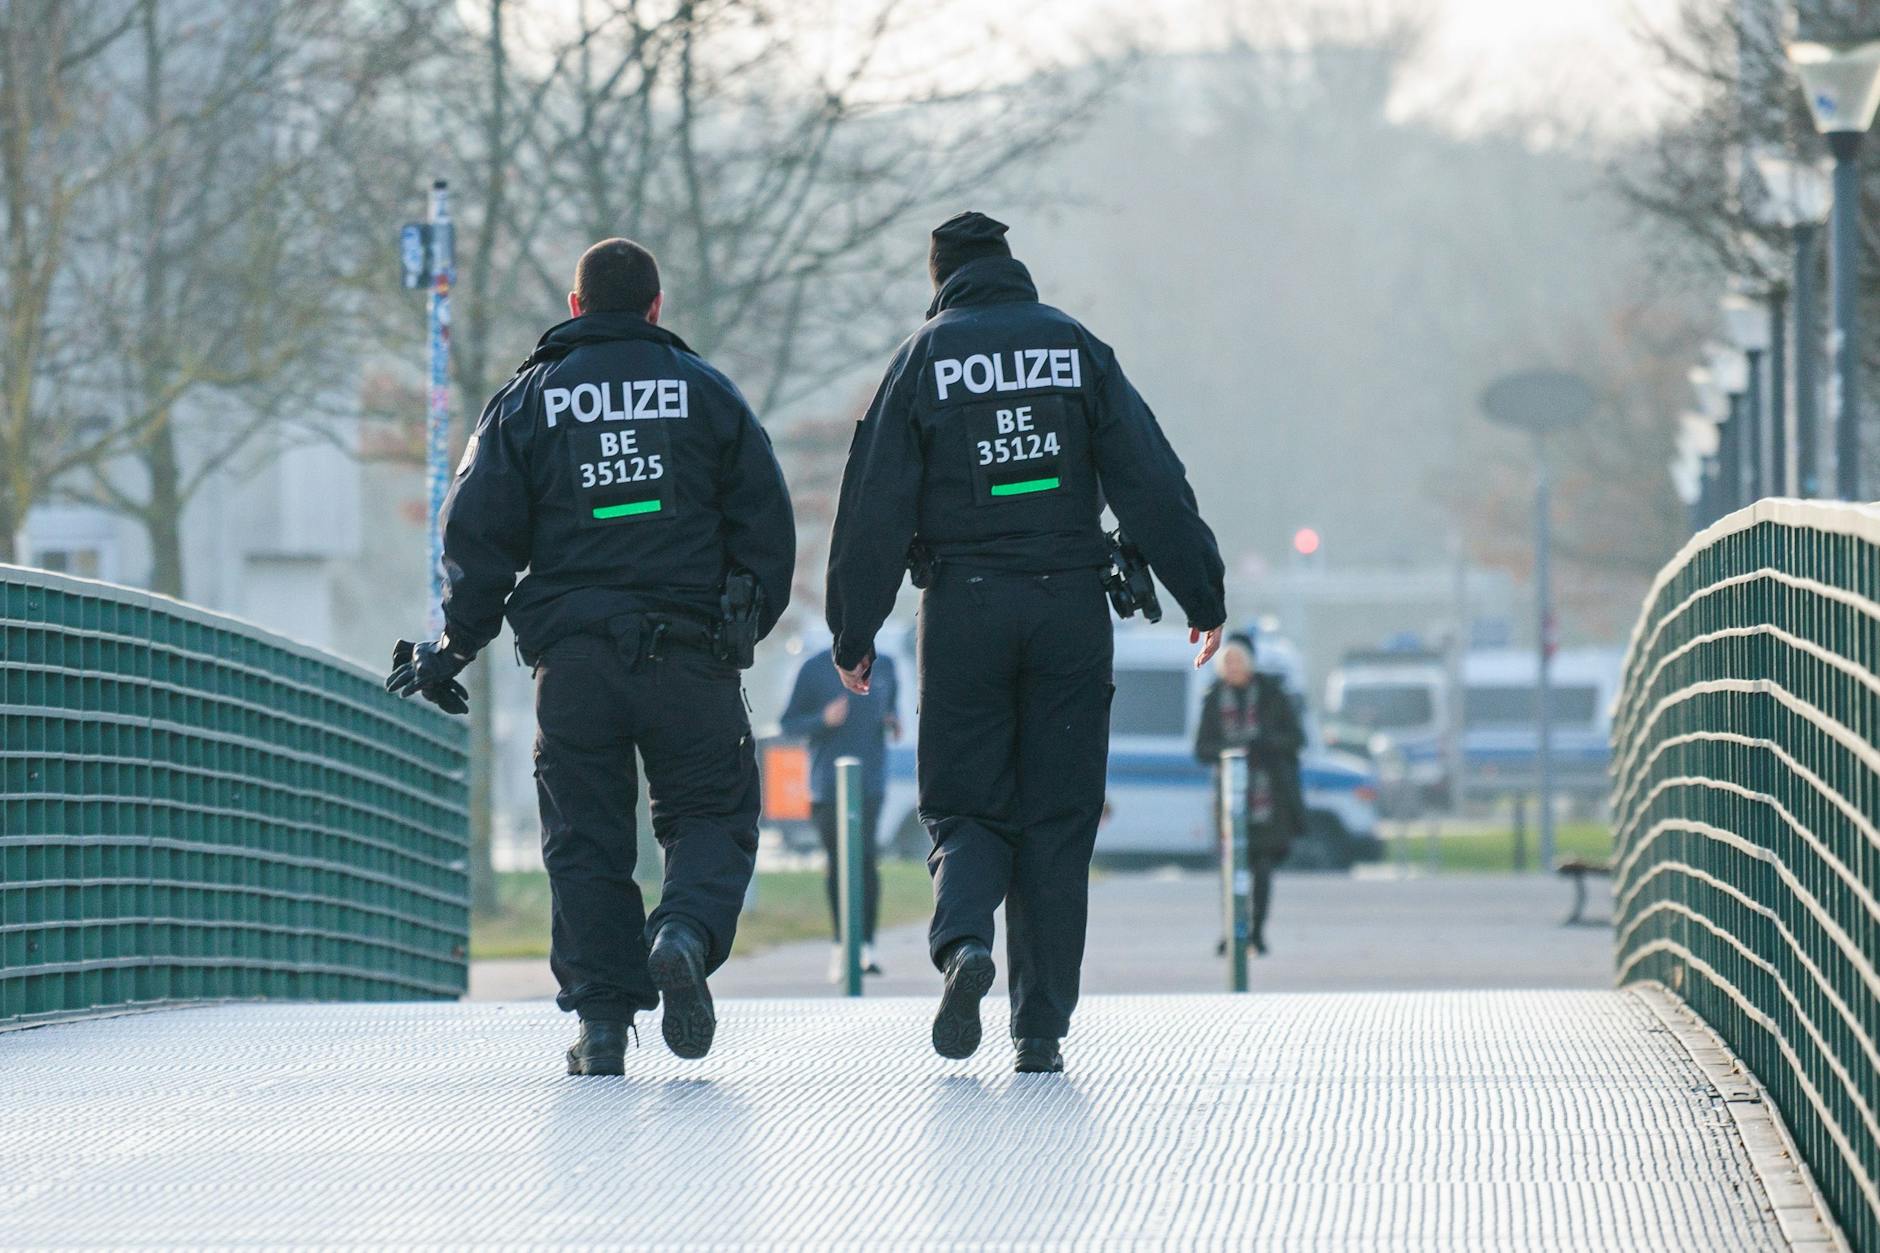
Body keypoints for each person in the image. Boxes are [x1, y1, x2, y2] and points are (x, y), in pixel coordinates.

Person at [825, 211, 1226, 1074]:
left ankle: (966, 941)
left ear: (941, 278)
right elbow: (1150, 476)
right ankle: (1038, 1024)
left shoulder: (924, 359)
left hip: (964, 605)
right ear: (1012, 268)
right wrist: (1201, 591)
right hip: (1070, 607)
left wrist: (852, 629)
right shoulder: (1076, 348)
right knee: (1057, 814)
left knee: (967, 803)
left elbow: (874, 505)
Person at [385, 238, 794, 1074]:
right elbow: (768, 522)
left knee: (584, 839)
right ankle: (681, 929)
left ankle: (603, 1027)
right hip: (688, 654)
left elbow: (476, 532)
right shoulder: (708, 393)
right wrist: (746, 617)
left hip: (573, 666)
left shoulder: (526, 401)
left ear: (575, 308)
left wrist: (456, 643)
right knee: (712, 814)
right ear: (655, 307)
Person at [779, 644, 902, 980]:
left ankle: (866, 947)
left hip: (871, 782)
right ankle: (840, 947)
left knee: (865, 860)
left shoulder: (886, 664)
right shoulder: (815, 668)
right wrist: (823, 720)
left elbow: (890, 708)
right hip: (827, 786)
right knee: (838, 863)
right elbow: (789, 723)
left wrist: (892, 721)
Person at [1193, 634, 1306, 955]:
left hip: (1268, 795)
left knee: (1262, 867)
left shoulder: (1273, 696)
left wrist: (1265, 741)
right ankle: (1233, 931)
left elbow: (1296, 740)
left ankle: (1256, 931)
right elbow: (1202, 749)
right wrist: (1231, 750)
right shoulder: (1214, 699)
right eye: (1227, 662)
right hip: (1230, 795)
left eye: (1238, 661)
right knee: (1231, 869)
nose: (1233, 668)